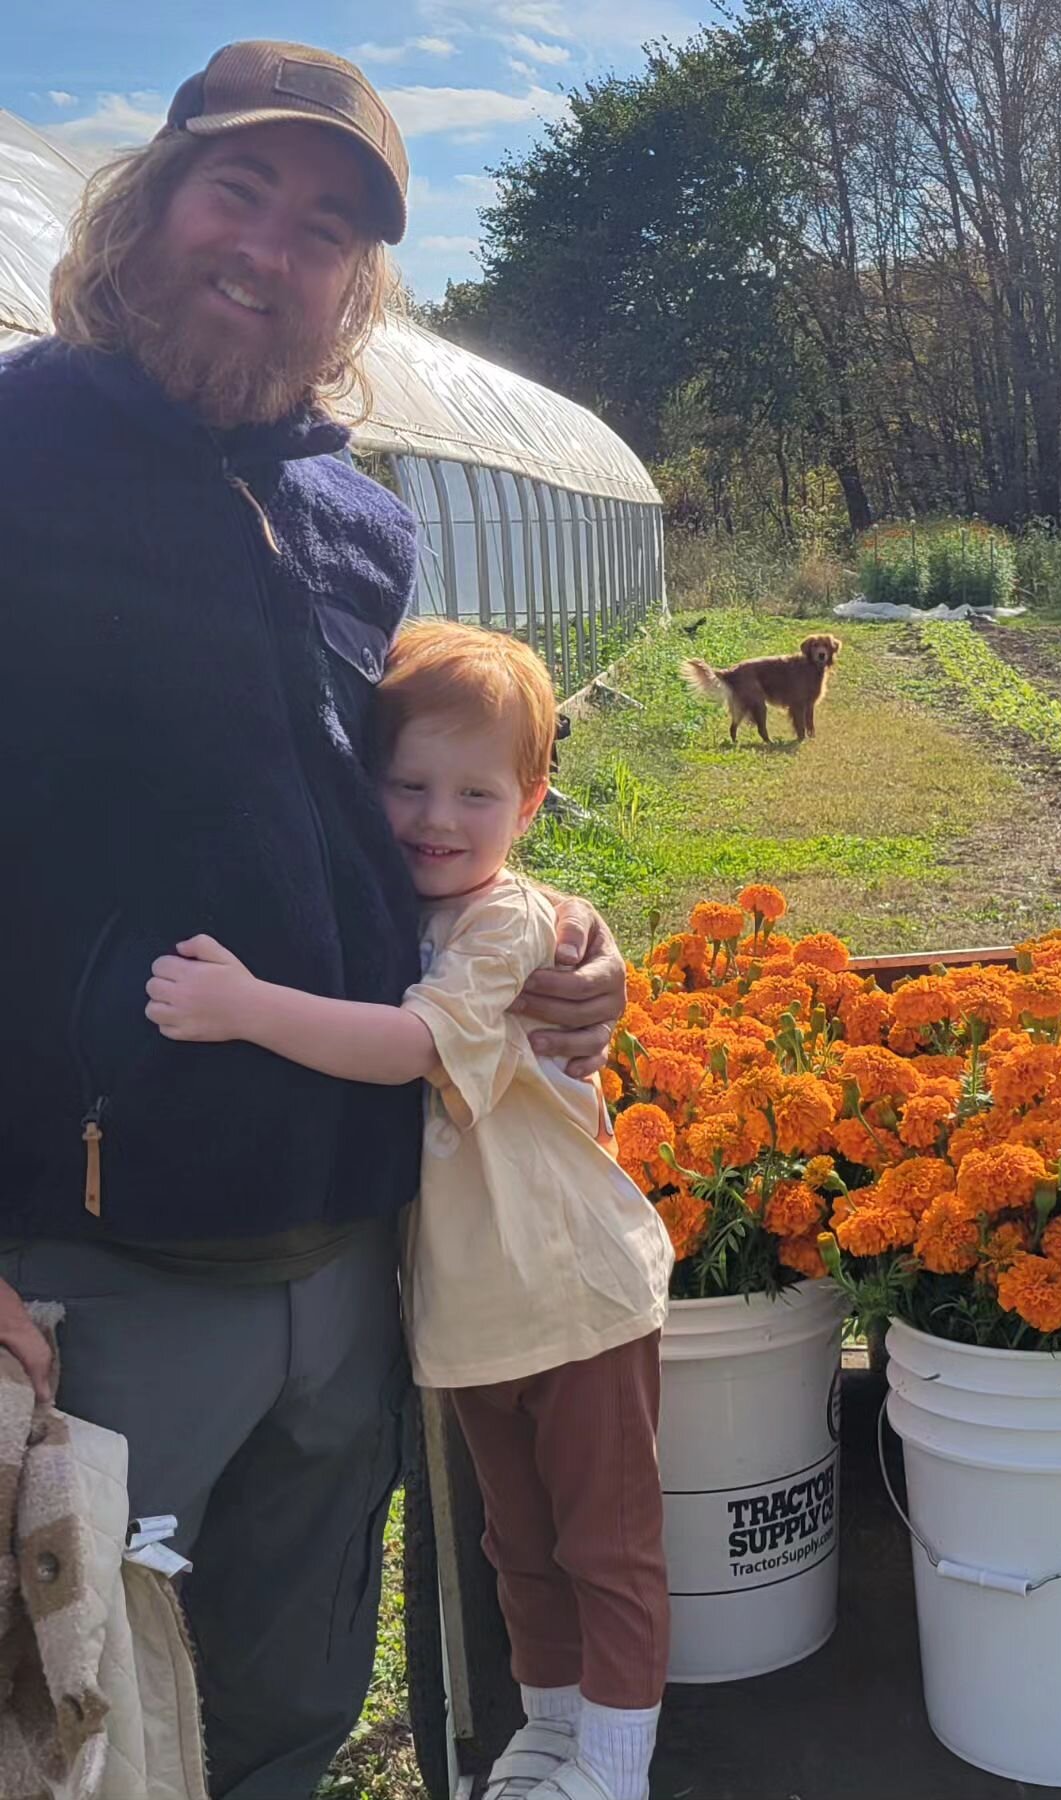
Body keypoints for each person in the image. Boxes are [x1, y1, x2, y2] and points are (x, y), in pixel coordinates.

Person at [0, 41, 626, 1799]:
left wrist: (568, 939)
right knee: (88, 1719)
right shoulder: (24, 453)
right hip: (110, 1269)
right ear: (150, 201)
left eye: (330, 225)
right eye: (241, 192)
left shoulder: (357, 521)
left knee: (287, 1701)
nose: (275, 249)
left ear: (362, 281)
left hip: (351, 1249)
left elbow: (402, 831)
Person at [148, 620, 674, 1800]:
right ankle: (548, 1732)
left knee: (607, 1549)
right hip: (477, 1309)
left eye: (475, 794)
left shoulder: (506, 925)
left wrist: (244, 1006)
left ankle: (618, 1767)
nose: (438, 818)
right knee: (519, 1549)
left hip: (573, 1290)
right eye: (410, 785)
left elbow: (408, 1050)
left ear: (532, 802)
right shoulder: (403, 914)